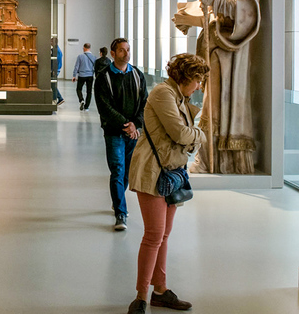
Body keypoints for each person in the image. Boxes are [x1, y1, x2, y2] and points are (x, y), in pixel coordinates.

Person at [175, 0, 261, 174]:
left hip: (230, 53)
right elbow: (213, 9)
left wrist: (216, 1)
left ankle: (222, 160)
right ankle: (209, 157)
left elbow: (248, 12)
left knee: (220, 104)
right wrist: (193, 15)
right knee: (212, 102)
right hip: (216, 52)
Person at [125, 53, 209, 314]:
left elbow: (184, 136)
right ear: (184, 77)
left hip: (171, 172)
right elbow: (180, 133)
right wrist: (202, 135)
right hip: (152, 171)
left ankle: (160, 290)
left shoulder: (179, 97)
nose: (199, 86)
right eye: (197, 80)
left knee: (163, 235)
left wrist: (191, 137)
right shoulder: (164, 94)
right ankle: (140, 297)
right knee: (153, 236)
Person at [94, 38, 148, 231]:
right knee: (117, 170)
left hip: (133, 133)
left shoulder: (137, 75)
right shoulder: (104, 77)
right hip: (114, 133)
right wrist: (126, 124)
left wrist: (136, 124)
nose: (126, 54)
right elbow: (104, 106)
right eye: (122, 51)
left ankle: (118, 199)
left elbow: (144, 103)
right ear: (113, 54)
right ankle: (120, 213)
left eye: (128, 50)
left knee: (126, 172)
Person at [72, 42, 96, 111]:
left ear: (84, 48)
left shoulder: (80, 56)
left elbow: (76, 67)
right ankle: (87, 107)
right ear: (90, 48)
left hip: (81, 75)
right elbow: (95, 68)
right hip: (90, 76)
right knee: (89, 91)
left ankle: (81, 100)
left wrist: (74, 75)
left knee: (79, 89)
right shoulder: (94, 57)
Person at [51, 37, 64, 106]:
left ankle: (59, 98)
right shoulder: (55, 50)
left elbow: (56, 62)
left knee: (53, 84)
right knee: (53, 84)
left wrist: (54, 70)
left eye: (51, 42)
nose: (50, 43)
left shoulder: (57, 51)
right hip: (55, 70)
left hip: (56, 70)